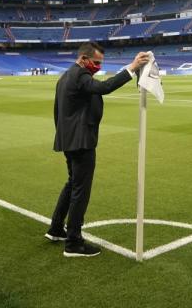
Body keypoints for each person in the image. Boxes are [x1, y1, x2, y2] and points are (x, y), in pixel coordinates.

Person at [46, 43, 150, 258]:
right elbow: (104, 87)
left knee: (72, 184)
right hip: (81, 142)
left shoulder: (66, 76)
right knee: (80, 191)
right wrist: (131, 68)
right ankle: (73, 242)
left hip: (69, 140)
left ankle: (56, 228)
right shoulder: (80, 76)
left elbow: (57, 111)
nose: (98, 67)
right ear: (84, 59)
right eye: (96, 62)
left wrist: (64, 137)